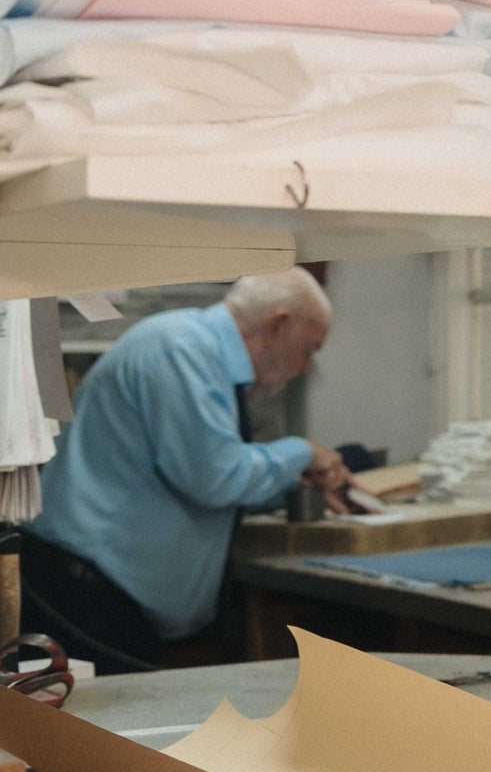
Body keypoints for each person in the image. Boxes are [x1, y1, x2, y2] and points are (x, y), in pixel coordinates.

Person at [25, 268, 354, 669]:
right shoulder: (181, 349)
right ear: (278, 325)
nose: (304, 367)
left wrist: (291, 483)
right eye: (309, 349)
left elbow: (196, 479)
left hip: (108, 600)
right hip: (84, 598)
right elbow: (211, 477)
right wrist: (301, 453)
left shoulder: (202, 355)